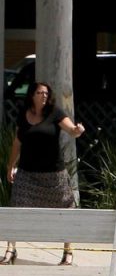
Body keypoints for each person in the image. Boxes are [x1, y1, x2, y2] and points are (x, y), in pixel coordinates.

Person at [3, 82, 87, 266]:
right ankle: (10, 249)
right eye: (40, 92)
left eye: (46, 93)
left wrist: (77, 130)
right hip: (27, 173)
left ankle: (68, 252)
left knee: (66, 208)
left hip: (53, 174)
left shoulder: (54, 113)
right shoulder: (24, 115)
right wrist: (10, 165)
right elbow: (17, 143)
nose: (43, 96)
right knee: (16, 207)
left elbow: (71, 130)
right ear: (32, 95)